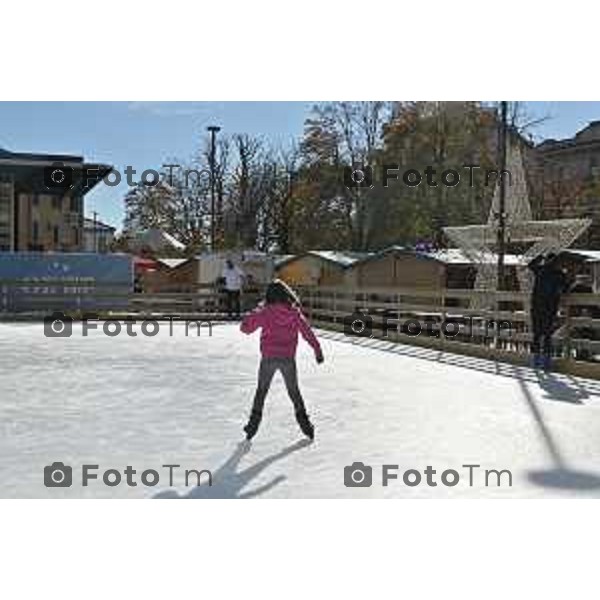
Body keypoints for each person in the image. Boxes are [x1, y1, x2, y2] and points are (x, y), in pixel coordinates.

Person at [240, 279, 324, 441]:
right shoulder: (293, 313)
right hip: (287, 359)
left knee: (261, 391)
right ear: (286, 294)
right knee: (294, 392)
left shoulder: (265, 312)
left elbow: (245, 329)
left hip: (269, 358)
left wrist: (255, 311)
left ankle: (252, 427)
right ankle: (307, 427)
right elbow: (307, 332)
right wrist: (317, 349)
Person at [528, 253, 571, 369]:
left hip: (537, 307)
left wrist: (539, 257)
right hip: (550, 308)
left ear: (546, 260)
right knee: (547, 335)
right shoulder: (559, 274)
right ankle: (545, 363)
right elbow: (566, 289)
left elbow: (530, 265)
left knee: (537, 334)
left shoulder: (540, 269)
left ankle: (536, 361)